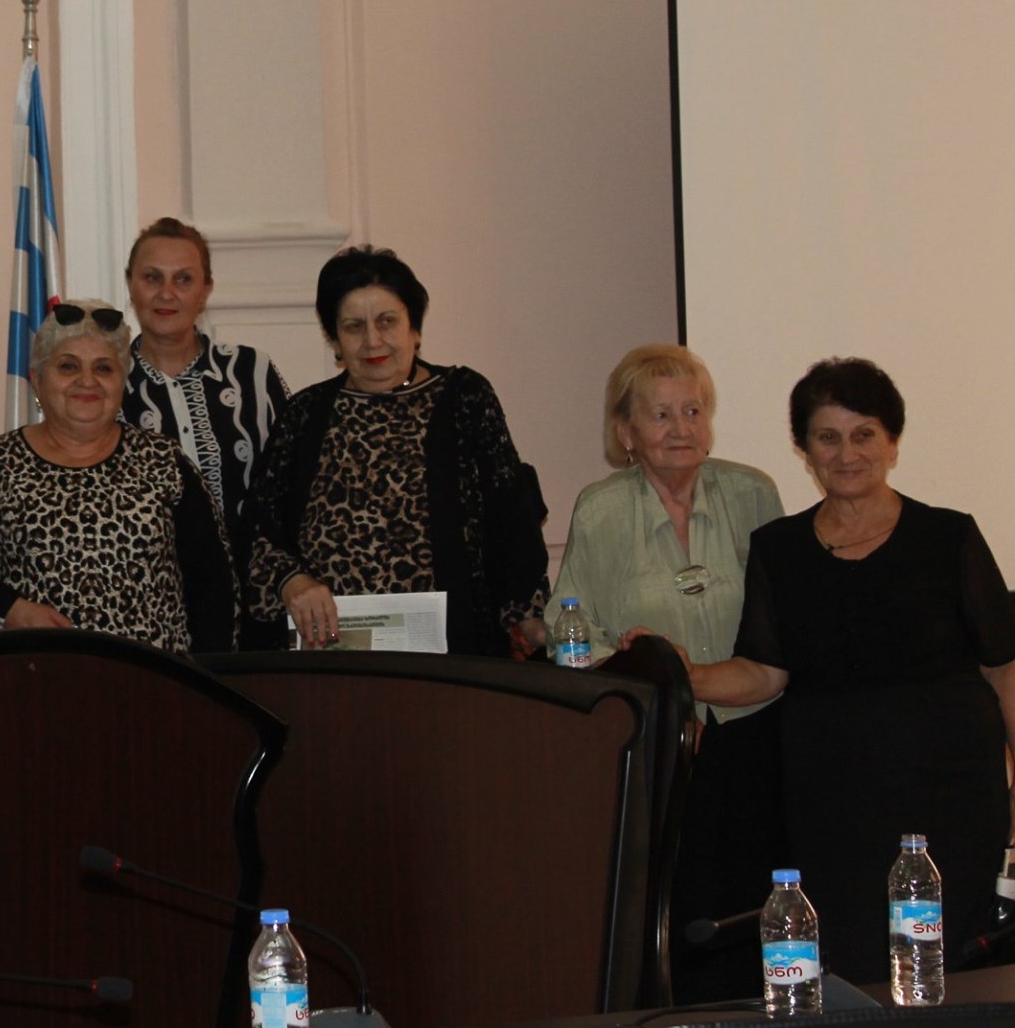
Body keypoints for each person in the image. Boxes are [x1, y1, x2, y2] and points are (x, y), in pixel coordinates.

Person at [629, 358, 1015, 982]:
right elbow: (764, 673)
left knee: (950, 964)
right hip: (832, 803)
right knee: (852, 965)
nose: (847, 453)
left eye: (864, 434)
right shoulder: (778, 548)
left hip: (952, 797)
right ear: (805, 450)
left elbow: (1004, 672)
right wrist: (679, 670)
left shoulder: (949, 537)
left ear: (892, 442)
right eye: (827, 437)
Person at [551, 344, 785, 1001]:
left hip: (753, 734)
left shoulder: (753, 493)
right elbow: (573, 631)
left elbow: (786, 621)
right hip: (658, 743)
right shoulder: (600, 509)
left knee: (758, 903)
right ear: (626, 431)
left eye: (694, 410)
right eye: (661, 415)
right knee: (675, 914)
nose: (682, 428)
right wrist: (642, 670)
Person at [247, 245, 547, 657]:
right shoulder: (305, 414)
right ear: (334, 339)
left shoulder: (464, 397)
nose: (373, 340)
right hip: (331, 659)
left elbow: (510, 515)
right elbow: (260, 528)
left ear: (415, 329)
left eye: (387, 321)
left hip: (453, 653)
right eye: (353, 326)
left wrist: (528, 618)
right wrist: (292, 581)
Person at [0, 299, 236, 654]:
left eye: (104, 368)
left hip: (152, 681)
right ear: (37, 379)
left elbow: (215, 583)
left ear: (122, 381)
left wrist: (204, 676)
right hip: (29, 674)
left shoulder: (165, 461)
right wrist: (10, 609)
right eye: (68, 366)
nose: (87, 381)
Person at [121, 217, 290, 648]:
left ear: (206, 289)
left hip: (256, 605)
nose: (166, 293)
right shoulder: (105, 385)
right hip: (148, 616)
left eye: (183, 279)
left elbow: (292, 486)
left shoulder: (252, 372)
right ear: (130, 284)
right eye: (152, 278)